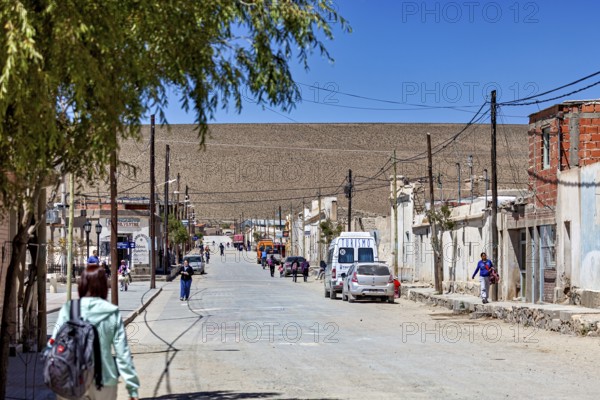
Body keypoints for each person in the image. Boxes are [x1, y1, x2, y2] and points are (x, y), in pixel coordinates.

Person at [50, 264, 140, 400]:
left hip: (72, 379)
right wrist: (132, 387)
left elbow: (54, 342)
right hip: (104, 380)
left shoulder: (69, 309)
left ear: (82, 285)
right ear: (104, 287)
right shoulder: (111, 312)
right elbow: (122, 353)